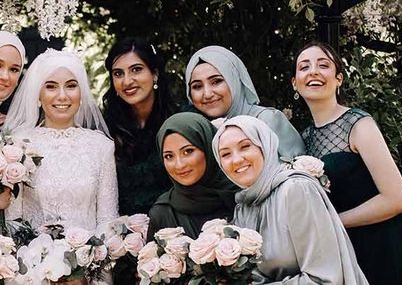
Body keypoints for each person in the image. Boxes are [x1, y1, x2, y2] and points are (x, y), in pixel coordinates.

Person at [293, 42, 402, 285]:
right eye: (304, 66)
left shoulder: (358, 124)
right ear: (295, 83)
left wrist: (334, 222)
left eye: (324, 65)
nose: (313, 71)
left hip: (391, 242)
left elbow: (396, 199)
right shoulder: (304, 138)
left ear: (338, 79)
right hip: (350, 249)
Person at [213, 115, 369, 285]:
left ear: (265, 146)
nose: (236, 159)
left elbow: (325, 278)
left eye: (245, 146)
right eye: (225, 154)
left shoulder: (295, 190)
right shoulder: (244, 207)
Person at [5, 48, 119, 236]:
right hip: (31, 258)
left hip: (89, 260)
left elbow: (107, 219)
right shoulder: (18, 144)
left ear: (81, 93)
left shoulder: (102, 146)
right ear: (38, 95)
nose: (62, 95)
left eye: (71, 85)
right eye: (51, 86)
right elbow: (12, 221)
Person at [102, 38, 178, 216]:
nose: (127, 81)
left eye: (136, 70)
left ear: (155, 74)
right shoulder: (105, 129)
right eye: (118, 73)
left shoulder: (178, 121)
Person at [185, 45, 304, 159]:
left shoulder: (266, 121)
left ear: (234, 81)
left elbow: (302, 173)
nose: (207, 94)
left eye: (216, 81)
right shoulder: (198, 134)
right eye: (197, 86)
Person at [148, 112, 236, 240]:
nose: (179, 165)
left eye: (188, 151)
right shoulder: (162, 213)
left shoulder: (240, 197)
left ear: (208, 148)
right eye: (169, 156)